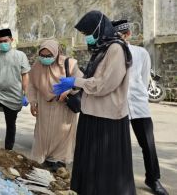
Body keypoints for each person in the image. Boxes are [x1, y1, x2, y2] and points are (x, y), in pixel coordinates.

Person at [53, 11, 136, 195]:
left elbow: (105, 84)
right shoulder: (102, 48)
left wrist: (75, 82)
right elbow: (93, 79)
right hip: (91, 114)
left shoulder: (116, 48)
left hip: (107, 119)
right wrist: (72, 86)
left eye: (88, 32)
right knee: (89, 165)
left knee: (105, 169)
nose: (87, 37)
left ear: (99, 28)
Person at [112, 20, 169, 195]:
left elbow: (144, 79)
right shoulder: (110, 53)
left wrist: (139, 96)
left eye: (121, 35)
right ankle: (118, 180)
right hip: (117, 106)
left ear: (128, 34)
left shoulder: (141, 53)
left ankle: (153, 179)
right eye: (115, 36)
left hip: (138, 105)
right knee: (117, 145)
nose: (118, 39)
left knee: (148, 144)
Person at [27, 39, 81, 171]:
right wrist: (33, 102)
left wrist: (68, 90)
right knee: (44, 133)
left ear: (57, 53)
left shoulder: (70, 64)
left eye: (49, 56)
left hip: (63, 106)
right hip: (44, 106)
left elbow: (80, 81)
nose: (45, 58)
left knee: (62, 134)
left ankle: (59, 161)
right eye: (43, 55)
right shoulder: (37, 65)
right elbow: (31, 84)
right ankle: (46, 159)